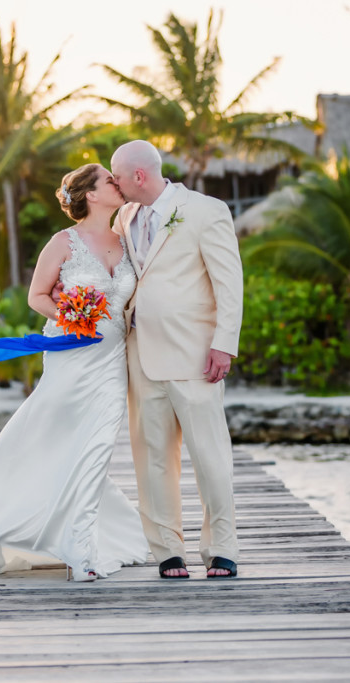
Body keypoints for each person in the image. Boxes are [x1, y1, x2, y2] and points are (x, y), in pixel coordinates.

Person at [0, 163, 149, 581]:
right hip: (70, 357)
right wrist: (72, 314)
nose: (118, 184)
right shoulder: (63, 242)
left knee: (97, 447)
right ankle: (17, 515)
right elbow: (37, 296)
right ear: (91, 194)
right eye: (110, 181)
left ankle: (81, 550)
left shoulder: (127, 240)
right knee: (54, 437)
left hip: (112, 361)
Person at [110, 140, 244, 579]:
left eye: (118, 176)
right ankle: (167, 550)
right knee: (152, 458)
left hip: (196, 356)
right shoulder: (124, 216)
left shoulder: (206, 210)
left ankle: (221, 548)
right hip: (140, 355)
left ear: (139, 177)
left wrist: (224, 342)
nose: (114, 183)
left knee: (211, 456)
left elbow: (229, 283)